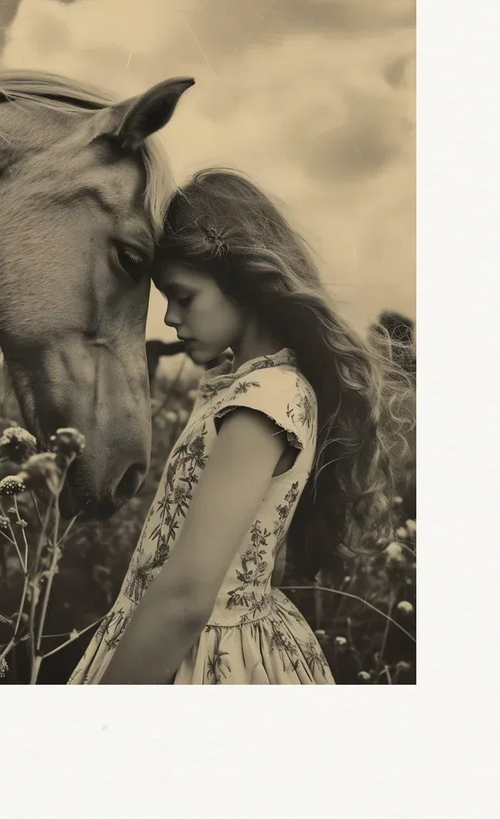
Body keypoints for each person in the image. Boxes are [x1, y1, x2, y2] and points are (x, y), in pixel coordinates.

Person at [68, 168, 413, 685]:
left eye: (184, 297)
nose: (169, 319)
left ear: (246, 287)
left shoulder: (265, 398)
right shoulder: (260, 388)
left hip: (200, 655)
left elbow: (186, 598)